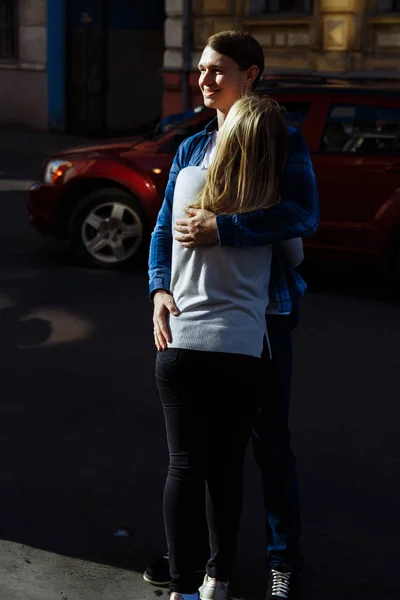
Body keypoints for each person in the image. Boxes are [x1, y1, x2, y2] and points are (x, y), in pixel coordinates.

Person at [148, 30, 319, 600]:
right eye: (200, 68)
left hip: (264, 316)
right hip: (194, 318)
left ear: (251, 76)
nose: (204, 79)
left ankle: (281, 565)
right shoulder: (192, 148)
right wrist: (157, 290)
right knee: (196, 455)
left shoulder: (282, 140)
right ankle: (191, 563)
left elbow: (302, 215)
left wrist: (226, 227)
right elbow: (159, 230)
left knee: (267, 444)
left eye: (218, 70)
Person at [154, 93, 288, 600]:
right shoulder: (271, 199)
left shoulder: (188, 179)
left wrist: (159, 290)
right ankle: (219, 578)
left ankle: (182, 589)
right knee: (227, 471)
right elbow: (294, 256)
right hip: (240, 350)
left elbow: (163, 236)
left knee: (183, 466)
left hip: (181, 341)